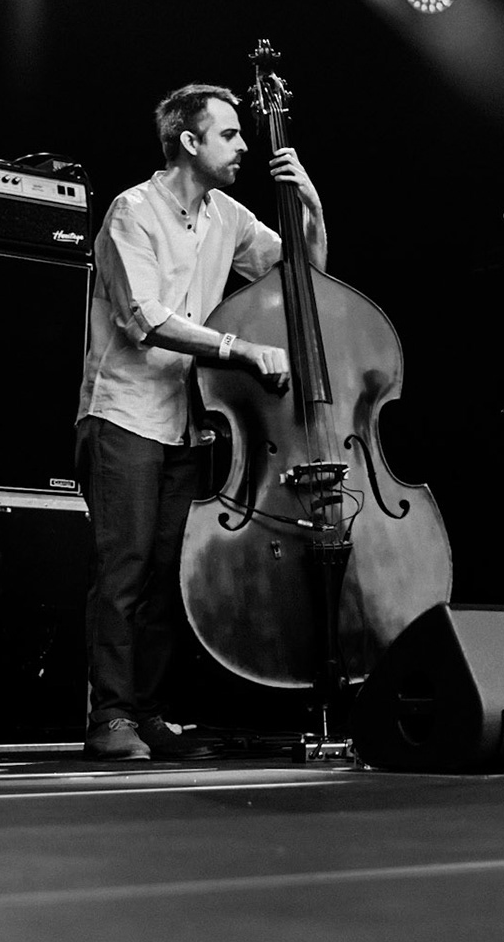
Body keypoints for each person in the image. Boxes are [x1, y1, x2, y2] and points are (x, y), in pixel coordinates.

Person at [75, 82, 326, 760]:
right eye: (230, 134)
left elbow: (304, 276)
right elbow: (145, 319)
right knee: (124, 570)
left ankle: (149, 713)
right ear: (189, 142)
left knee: (165, 577)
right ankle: (110, 716)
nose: (245, 145)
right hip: (125, 414)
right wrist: (238, 348)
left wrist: (310, 204)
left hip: (186, 424)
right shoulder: (132, 210)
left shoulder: (229, 217)